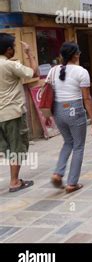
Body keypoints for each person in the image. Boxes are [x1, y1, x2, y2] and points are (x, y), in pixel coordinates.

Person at [49, 42, 92, 194]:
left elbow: (47, 93)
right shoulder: (81, 71)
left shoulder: (53, 70)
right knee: (78, 146)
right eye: (79, 52)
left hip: (58, 110)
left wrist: (47, 115)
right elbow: (87, 98)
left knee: (68, 142)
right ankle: (72, 183)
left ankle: (58, 172)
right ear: (75, 55)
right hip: (74, 109)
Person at [0, 34, 38, 192]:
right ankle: (14, 182)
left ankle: (14, 178)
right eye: (14, 47)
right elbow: (34, 73)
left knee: (5, 148)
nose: (15, 49)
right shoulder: (9, 65)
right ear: (8, 50)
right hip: (13, 113)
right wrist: (29, 53)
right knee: (17, 147)